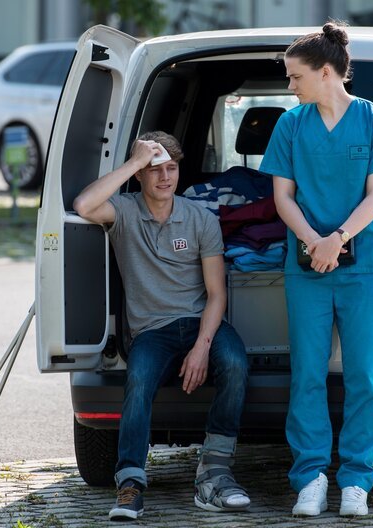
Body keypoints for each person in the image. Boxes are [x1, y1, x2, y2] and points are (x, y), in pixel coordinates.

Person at [259, 22, 373, 518]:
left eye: (295, 76)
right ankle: (311, 478)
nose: (290, 86)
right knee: (306, 375)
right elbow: (283, 197)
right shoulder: (290, 125)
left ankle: (357, 481)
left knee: (364, 376)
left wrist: (337, 240)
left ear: (326, 73)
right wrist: (313, 243)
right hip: (307, 270)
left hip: (361, 268)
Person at [72, 131, 251, 521]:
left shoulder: (200, 217)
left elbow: (216, 294)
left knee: (236, 363)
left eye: (171, 168)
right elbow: (84, 204)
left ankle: (214, 472)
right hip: (153, 330)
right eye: (154, 170)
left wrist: (202, 347)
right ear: (139, 175)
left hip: (201, 322)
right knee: (138, 379)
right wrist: (136, 160)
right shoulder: (123, 211)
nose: (165, 177)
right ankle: (131, 482)